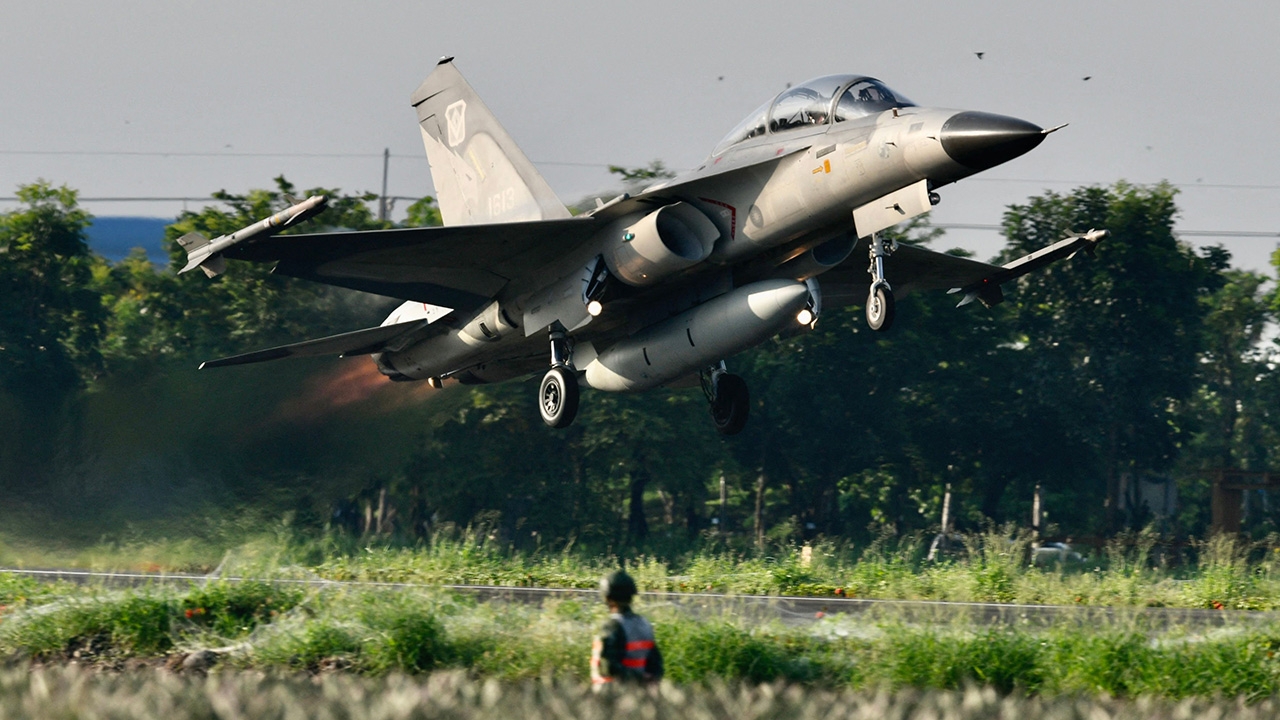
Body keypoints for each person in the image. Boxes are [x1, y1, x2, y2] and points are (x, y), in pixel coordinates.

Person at [590, 569, 663, 686]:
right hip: (640, 695)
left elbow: (608, 667)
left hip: (611, 694)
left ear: (608, 598)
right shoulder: (644, 624)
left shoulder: (611, 626)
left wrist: (636, 678)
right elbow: (656, 665)